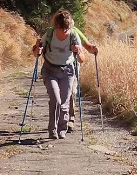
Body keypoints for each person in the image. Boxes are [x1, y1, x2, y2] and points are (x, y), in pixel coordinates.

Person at [31, 10, 99, 139]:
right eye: (61, 28)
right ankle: (52, 129)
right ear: (56, 26)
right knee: (55, 100)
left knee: (65, 102)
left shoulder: (74, 35)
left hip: (67, 71)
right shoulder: (50, 34)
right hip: (50, 70)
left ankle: (63, 129)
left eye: (66, 28)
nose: (64, 31)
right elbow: (36, 53)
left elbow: (81, 59)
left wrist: (78, 52)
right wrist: (38, 48)